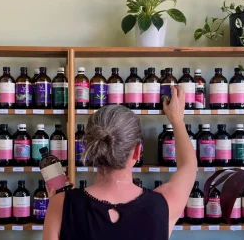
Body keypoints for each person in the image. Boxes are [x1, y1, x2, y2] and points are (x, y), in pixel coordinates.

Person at [42, 85, 197, 240]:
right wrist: (177, 120)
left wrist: (64, 205)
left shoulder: (61, 204)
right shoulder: (164, 204)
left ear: (90, 147)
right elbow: (188, 166)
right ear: (137, 151)